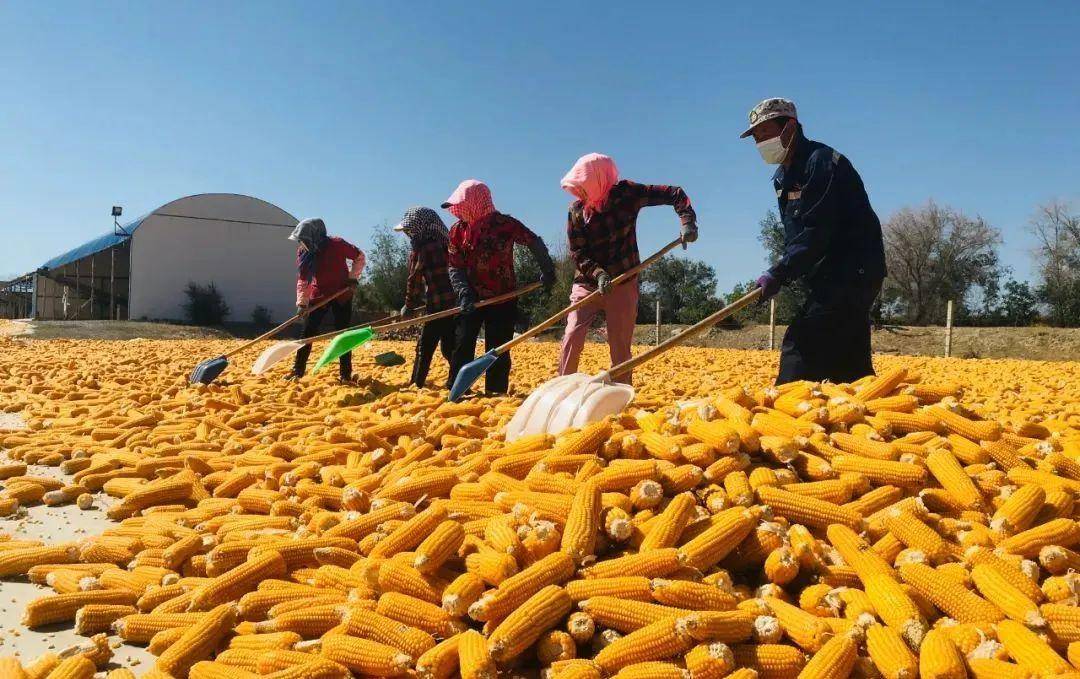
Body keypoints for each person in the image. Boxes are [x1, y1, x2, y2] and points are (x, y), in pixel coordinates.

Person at [741, 97, 886, 385]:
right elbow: (795, 236)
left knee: (801, 345)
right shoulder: (782, 178)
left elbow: (817, 231)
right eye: (756, 138)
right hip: (830, 275)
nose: (760, 143)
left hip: (853, 269)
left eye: (765, 133)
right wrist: (782, 271)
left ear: (789, 127)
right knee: (849, 364)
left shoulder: (821, 163)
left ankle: (783, 410)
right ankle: (864, 417)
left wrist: (778, 273)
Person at [557, 152, 697, 384]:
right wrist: (599, 274)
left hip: (623, 278)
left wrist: (687, 222)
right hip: (588, 283)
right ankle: (562, 385)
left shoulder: (628, 194)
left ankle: (621, 391)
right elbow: (577, 253)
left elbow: (675, 193)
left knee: (620, 344)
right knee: (572, 333)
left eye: (583, 186)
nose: (578, 192)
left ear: (598, 179)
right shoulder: (576, 212)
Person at [443, 179, 555, 394]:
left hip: (503, 297)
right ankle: (457, 389)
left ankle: (495, 392)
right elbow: (454, 266)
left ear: (477, 202)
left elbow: (533, 242)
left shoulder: (504, 224)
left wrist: (547, 269)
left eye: (463, 205)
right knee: (463, 343)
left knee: (497, 349)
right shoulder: (457, 231)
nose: (459, 211)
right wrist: (464, 292)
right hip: (471, 298)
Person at [288, 218, 365, 382]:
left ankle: (345, 374)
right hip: (319, 293)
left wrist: (352, 278)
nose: (304, 243)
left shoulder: (337, 244)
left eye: (306, 240)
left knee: (342, 333)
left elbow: (359, 257)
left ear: (317, 236)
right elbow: (303, 279)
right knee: (308, 332)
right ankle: (297, 370)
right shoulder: (304, 253)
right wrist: (302, 303)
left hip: (341, 293)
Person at [394, 207, 458, 389]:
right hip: (455, 303)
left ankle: (417, 383)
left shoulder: (422, 247)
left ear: (419, 228)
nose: (408, 234)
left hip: (437, 304)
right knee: (450, 346)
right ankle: (458, 382)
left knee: (425, 346)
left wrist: (409, 305)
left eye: (409, 230)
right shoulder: (447, 242)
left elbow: (414, 279)